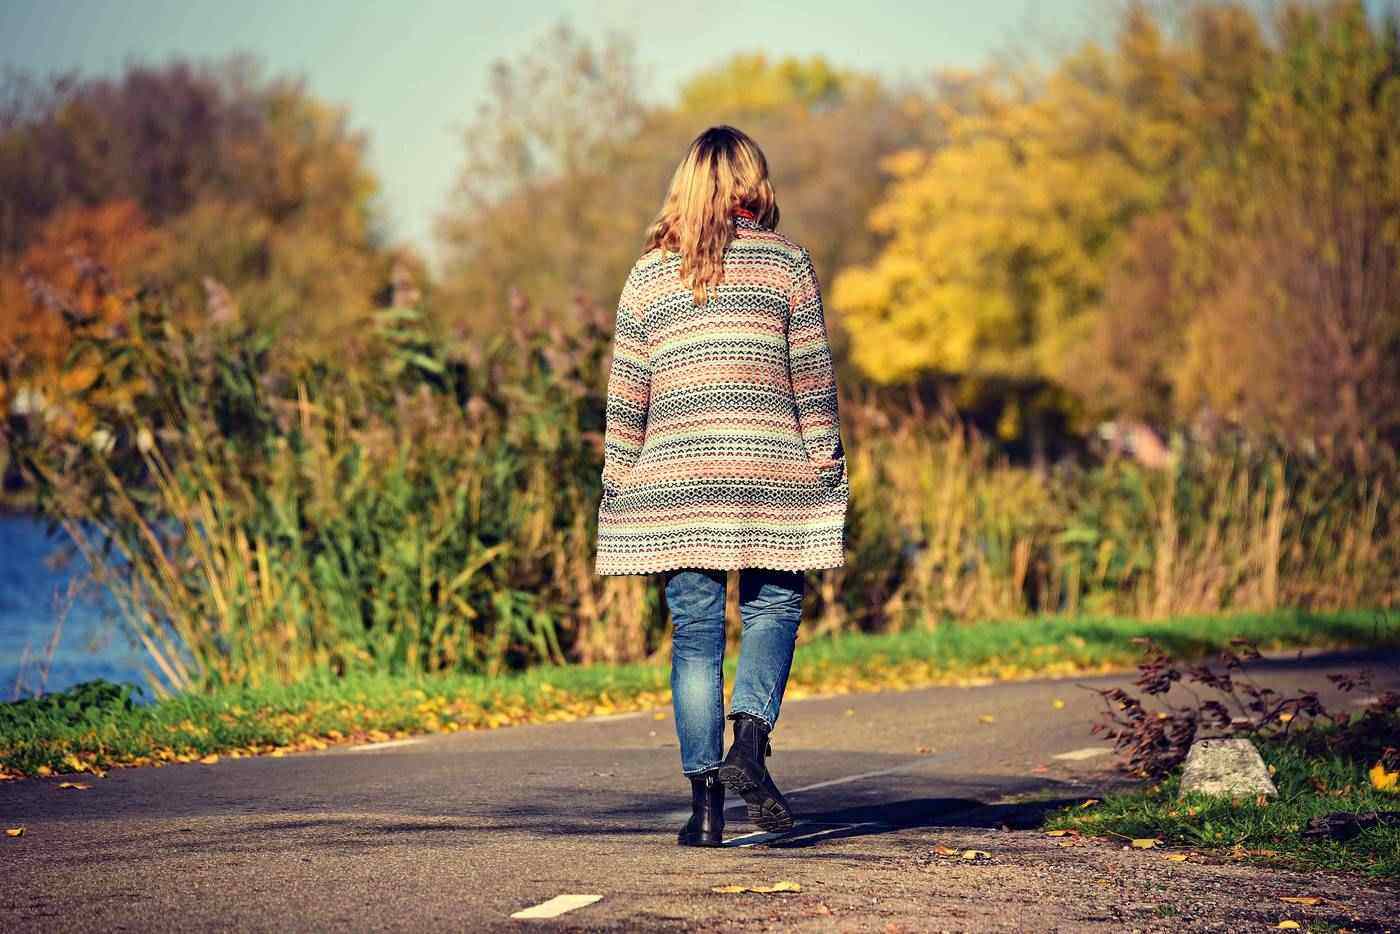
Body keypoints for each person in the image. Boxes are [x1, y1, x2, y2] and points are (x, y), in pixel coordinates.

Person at [594, 125, 848, 847]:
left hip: (675, 481)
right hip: (773, 472)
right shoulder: (788, 263)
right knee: (775, 606)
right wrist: (827, 467)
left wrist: (620, 477)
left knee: (695, 635)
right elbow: (813, 383)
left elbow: (626, 397)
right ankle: (749, 744)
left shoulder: (649, 275)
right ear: (752, 186)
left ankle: (705, 811)